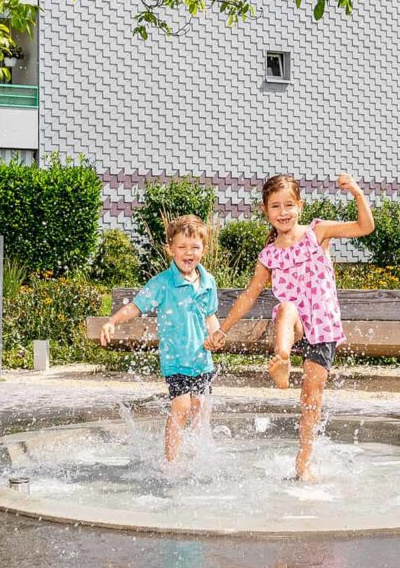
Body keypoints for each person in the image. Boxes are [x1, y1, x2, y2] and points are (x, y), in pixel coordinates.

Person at [205, 173, 374, 480]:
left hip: (321, 325)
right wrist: (222, 330)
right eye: (275, 206)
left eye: (288, 205)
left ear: (300, 206)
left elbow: (365, 227)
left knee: (311, 395)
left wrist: (357, 194)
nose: (283, 212)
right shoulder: (269, 255)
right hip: (291, 324)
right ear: (265, 211)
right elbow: (248, 296)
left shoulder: (317, 232)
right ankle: (282, 358)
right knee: (287, 305)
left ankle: (303, 463)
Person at [100, 214, 219, 463]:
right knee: (181, 408)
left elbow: (210, 317)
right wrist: (112, 321)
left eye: (195, 247)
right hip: (176, 361)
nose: (189, 253)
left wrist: (217, 335)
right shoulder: (163, 283)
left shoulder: (208, 283)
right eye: (182, 247)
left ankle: (197, 459)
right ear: (170, 249)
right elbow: (136, 307)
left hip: (202, 361)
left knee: (200, 410)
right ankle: (171, 462)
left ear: (203, 250)